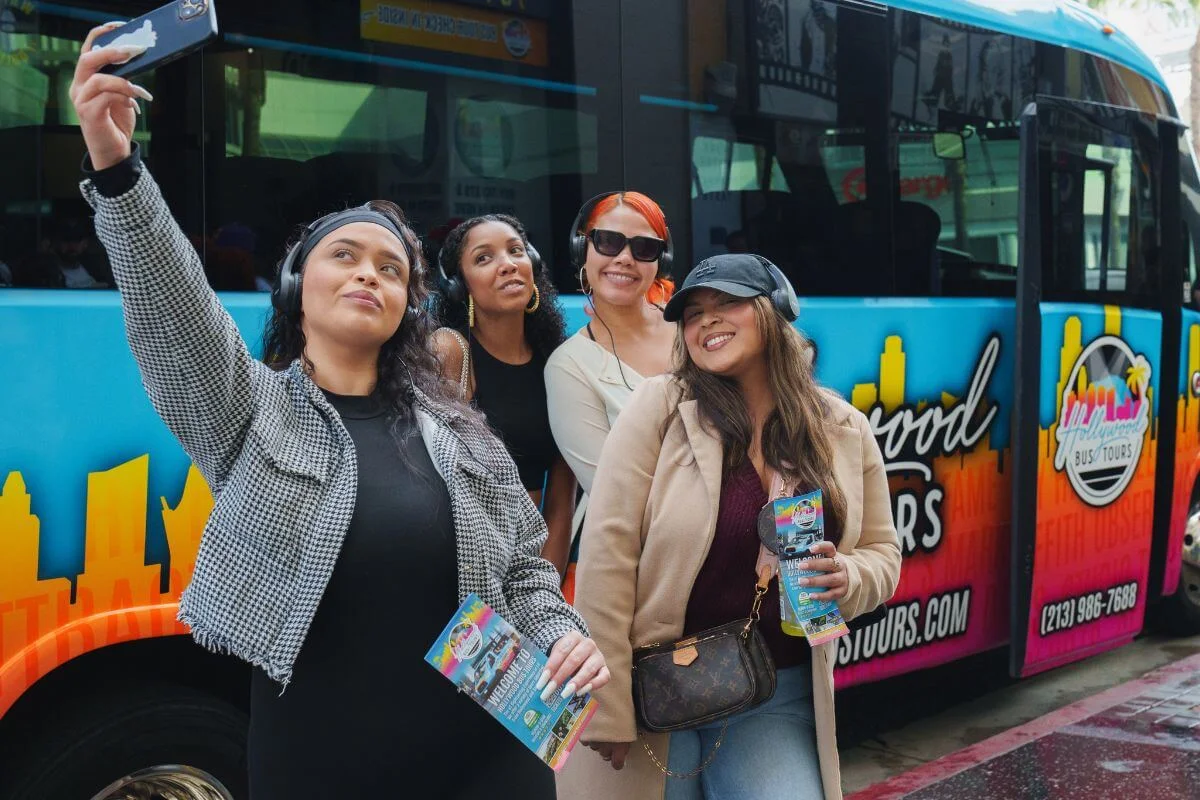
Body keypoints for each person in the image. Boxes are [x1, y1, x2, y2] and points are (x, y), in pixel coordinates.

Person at [70, 24, 608, 799]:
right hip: (323, 763)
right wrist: (118, 171)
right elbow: (174, 308)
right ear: (298, 290)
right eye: (344, 256)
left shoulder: (458, 429)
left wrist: (565, 639)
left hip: (490, 755)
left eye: (391, 268)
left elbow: (525, 572)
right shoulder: (248, 411)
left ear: (405, 307)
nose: (369, 274)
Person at [557, 253, 901, 800]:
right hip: (652, 687)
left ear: (776, 312)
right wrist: (607, 709)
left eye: (728, 303)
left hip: (772, 696)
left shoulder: (843, 428)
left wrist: (848, 578)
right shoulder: (661, 407)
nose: (706, 321)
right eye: (693, 313)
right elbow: (607, 554)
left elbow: (884, 552)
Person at [543, 192, 677, 601]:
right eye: (608, 242)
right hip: (648, 576)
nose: (624, 258)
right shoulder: (569, 366)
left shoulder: (695, 331)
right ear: (582, 248)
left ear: (660, 262)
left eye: (644, 248)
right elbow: (613, 492)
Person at [431, 214, 577, 575]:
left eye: (516, 251)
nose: (508, 265)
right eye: (484, 258)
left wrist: (544, 592)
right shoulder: (450, 351)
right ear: (459, 285)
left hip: (527, 563)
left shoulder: (558, 362)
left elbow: (561, 502)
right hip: (460, 559)